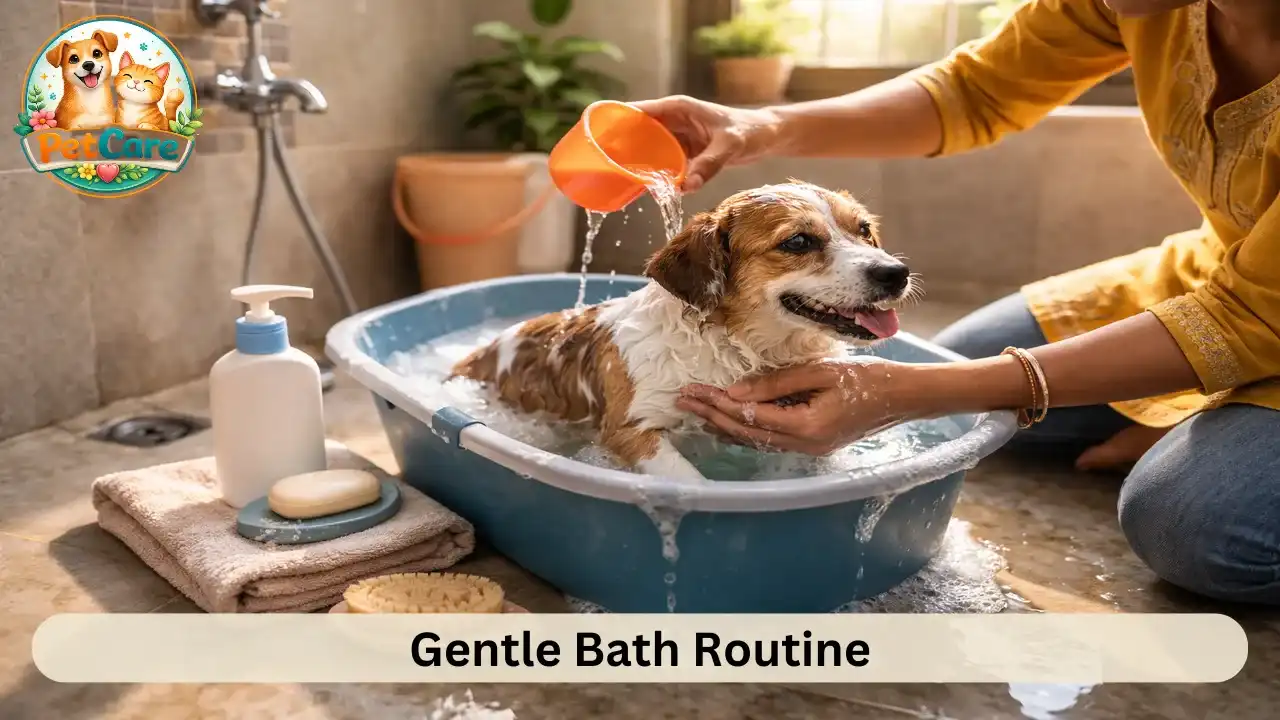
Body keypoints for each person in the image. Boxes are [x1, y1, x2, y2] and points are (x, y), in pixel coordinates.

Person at [635, 0, 1280, 605]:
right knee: (966, 375)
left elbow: (1252, 316)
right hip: (1218, 269)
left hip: (1261, 307)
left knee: (1192, 528)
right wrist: (758, 126)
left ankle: (1199, 417)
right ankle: (1188, 406)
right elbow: (975, 90)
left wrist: (904, 392)